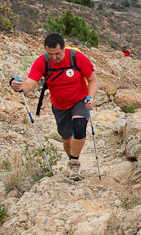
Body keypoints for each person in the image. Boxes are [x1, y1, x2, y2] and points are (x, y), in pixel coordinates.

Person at [10, 33, 98, 181]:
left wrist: (91, 98)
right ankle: (72, 157)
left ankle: (74, 164)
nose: (54, 57)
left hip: (79, 100)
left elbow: (93, 80)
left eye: (57, 53)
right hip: (59, 105)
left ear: (63, 48)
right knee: (67, 140)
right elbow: (27, 87)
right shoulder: (43, 62)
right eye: (50, 54)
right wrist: (16, 85)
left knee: (79, 125)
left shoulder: (76, 57)